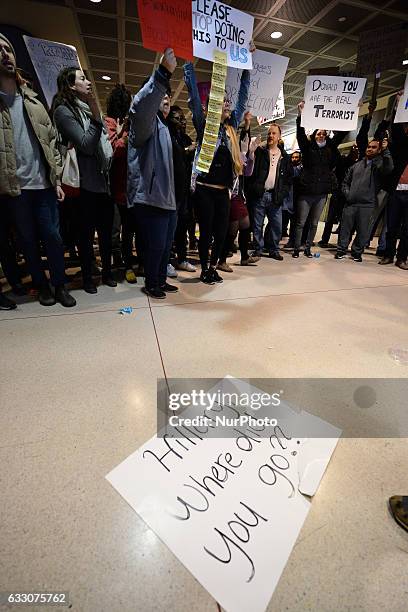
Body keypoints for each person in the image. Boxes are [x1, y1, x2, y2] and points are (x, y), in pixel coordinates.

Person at [0, 33, 76, 308]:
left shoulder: (32, 100)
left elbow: (53, 142)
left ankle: (59, 285)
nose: (5, 54)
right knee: (27, 241)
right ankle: (41, 286)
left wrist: (55, 177)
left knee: (53, 237)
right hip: (14, 188)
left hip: (43, 185)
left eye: (8, 48)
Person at [183, 44, 253, 285]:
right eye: (220, 101)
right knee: (207, 234)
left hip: (224, 193)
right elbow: (193, 97)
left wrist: (247, 66)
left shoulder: (232, 129)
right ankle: (204, 270)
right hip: (204, 191)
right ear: (212, 107)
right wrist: (188, 64)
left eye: (226, 101)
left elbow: (243, 97)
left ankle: (213, 267)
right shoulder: (206, 127)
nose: (225, 104)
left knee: (222, 234)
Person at [52, 67, 115, 294]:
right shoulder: (63, 111)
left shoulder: (87, 109)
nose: (88, 82)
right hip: (82, 184)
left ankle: (107, 273)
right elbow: (86, 144)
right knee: (85, 236)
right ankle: (88, 277)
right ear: (70, 85)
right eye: (82, 79)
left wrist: (95, 117)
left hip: (101, 182)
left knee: (106, 234)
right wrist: (98, 120)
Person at [127, 48, 178, 299]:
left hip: (167, 198)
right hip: (151, 196)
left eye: (169, 98)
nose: (166, 100)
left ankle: (159, 279)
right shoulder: (144, 122)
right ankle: (151, 282)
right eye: (162, 97)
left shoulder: (165, 127)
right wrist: (162, 75)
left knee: (165, 245)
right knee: (155, 246)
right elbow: (141, 106)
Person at [293, 100, 346, 258]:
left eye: (324, 133)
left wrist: (350, 111)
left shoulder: (330, 150)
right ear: (314, 135)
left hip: (321, 194)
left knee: (314, 223)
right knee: (301, 222)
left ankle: (308, 248)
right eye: (318, 133)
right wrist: (300, 114)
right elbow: (300, 134)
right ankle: (297, 248)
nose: (321, 135)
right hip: (307, 192)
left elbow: (341, 135)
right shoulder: (308, 149)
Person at [335, 138, 393, 262]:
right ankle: (341, 250)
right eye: (368, 147)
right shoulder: (356, 165)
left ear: (378, 150)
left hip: (368, 204)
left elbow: (389, 168)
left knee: (363, 231)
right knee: (345, 229)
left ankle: (356, 253)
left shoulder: (380, 165)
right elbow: (345, 183)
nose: (370, 149)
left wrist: (386, 151)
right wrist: (348, 195)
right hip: (351, 203)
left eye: (373, 147)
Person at [105, 83, 139, 284]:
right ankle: (114, 265)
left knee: (128, 230)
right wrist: (123, 134)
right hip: (114, 186)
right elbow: (112, 151)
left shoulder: (132, 125)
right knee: (113, 230)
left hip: (131, 187)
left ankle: (126, 264)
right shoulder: (109, 122)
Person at [247, 123, 293, 260]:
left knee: (277, 225)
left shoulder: (285, 157)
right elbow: (251, 170)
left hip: (275, 196)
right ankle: (258, 249)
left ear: (279, 136)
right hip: (260, 194)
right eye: (269, 133)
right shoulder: (260, 152)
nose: (270, 136)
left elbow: (288, 180)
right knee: (257, 224)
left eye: (273, 133)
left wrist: (282, 193)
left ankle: (273, 249)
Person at [217, 131, 261, 271]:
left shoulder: (237, 153)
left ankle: (244, 257)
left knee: (245, 224)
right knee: (233, 227)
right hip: (229, 194)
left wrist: (250, 154)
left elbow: (246, 172)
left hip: (237, 195)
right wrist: (243, 154)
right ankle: (222, 260)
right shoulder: (225, 151)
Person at [379, 92, 408, 270]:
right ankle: (388, 254)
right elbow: (397, 134)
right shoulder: (400, 145)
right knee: (392, 225)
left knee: (407, 230)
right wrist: (398, 106)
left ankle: (402, 258)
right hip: (396, 190)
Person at [167, 105, 196, 274]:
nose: (182, 122)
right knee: (170, 227)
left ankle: (182, 258)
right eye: (178, 118)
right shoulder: (167, 135)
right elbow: (173, 155)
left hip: (184, 189)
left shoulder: (184, 138)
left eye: (183, 118)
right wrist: (186, 151)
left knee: (182, 225)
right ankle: (168, 260)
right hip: (170, 188)